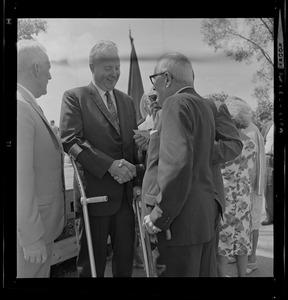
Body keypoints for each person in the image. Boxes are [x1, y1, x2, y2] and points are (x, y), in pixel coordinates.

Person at [59, 40, 141, 277]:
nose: (114, 73)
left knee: (124, 263)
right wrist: (110, 166)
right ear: (93, 66)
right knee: (91, 264)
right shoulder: (75, 97)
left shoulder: (126, 101)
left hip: (125, 199)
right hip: (94, 196)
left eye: (117, 67)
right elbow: (71, 141)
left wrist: (136, 180)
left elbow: (131, 145)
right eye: (108, 68)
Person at [140, 52, 218, 277]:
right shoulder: (203, 105)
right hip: (200, 221)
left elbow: (177, 165)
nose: (154, 89)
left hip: (178, 226)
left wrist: (159, 216)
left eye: (155, 80)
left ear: (167, 78)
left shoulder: (176, 102)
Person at [17, 39, 66, 278]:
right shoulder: (19, 107)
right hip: (31, 236)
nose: (50, 76)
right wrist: (32, 237)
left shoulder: (27, 104)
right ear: (36, 67)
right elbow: (18, 177)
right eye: (48, 68)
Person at [217, 96, 257, 277]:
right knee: (242, 242)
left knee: (223, 244)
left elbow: (223, 170)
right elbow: (250, 172)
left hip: (226, 196)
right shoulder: (250, 143)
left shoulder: (227, 142)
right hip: (244, 198)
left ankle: (222, 276)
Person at [242, 113, 266, 274]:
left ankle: (252, 260)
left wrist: (252, 185)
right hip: (245, 185)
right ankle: (243, 255)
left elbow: (254, 162)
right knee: (243, 222)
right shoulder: (246, 128)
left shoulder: (251, 130)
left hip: (251, 185)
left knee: (253, 223)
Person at [261, 118, 274, 226]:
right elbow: (262, 141)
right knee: (268, 189)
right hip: (268, 159)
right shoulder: (267, 125)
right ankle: (270, 217)